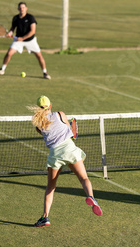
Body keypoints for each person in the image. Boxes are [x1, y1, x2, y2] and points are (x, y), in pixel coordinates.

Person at [30, 95, 103, 227]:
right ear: (50, 105)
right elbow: (68, 131)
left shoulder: (38, 125)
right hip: (69, 148)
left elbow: (50, 135)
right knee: (84, 178)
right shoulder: (60, 114)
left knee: (50, 187)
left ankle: (45, 217)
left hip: (55, 154)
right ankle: (91, 197)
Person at [0, 2, 51, 79]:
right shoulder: (15, 18)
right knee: (9, 53)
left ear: (26, 8)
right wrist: (10, 33)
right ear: (18, 9)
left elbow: (33, 31)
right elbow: (12, 28)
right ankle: (2, 70)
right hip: (18, 41)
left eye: (23, 7)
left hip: (31, 41)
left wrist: (23, 38)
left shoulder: (30, 18)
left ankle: (45, 73)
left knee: (39, 56)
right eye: (20, 8)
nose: (22, 9)